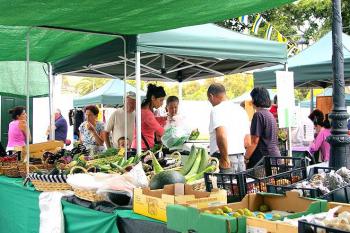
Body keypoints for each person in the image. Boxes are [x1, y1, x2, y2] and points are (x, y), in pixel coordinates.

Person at [207, 83, 250, 173]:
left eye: (209, 99)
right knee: (240, 186)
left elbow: (222, 135)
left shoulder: (216, 110)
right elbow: (247, 141)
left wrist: (225, 158)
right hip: (240, 159)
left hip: (225, 158)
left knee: (224, 187)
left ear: (211, 96)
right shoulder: (241, 110)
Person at [245, 87, 281, 168]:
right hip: (274, 156)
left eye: (252, 98)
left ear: (256, 99)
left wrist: (246, 158)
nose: (251, 101)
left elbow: (254, 141)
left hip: (263, 159)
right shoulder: (269, 114)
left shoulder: (258, 115)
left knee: (260, 180)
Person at [131, 84, 166, 151]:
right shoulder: (146, 113)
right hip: (142, 148)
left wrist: (165, 118)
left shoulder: (145, 110)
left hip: (139, 146)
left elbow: (152, 120)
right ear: (153, 98)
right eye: (161, 100)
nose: (162, 104)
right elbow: (160, 131)